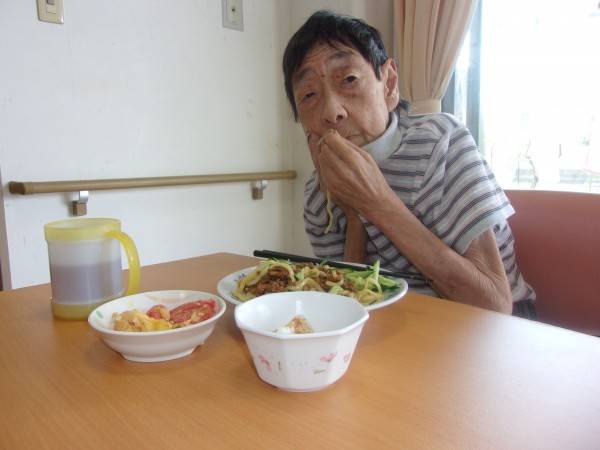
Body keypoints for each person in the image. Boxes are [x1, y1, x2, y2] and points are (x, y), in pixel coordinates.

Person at [282, 10, 536, 318]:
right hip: (397, 327)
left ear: (389, 84)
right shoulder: (317, 195)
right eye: (309, 94)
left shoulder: (441, 143)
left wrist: (376, 203)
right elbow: (347, 305)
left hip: (497, 327)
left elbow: (493, 304)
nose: (331, 111)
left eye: (349, 79)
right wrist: (353, 215)